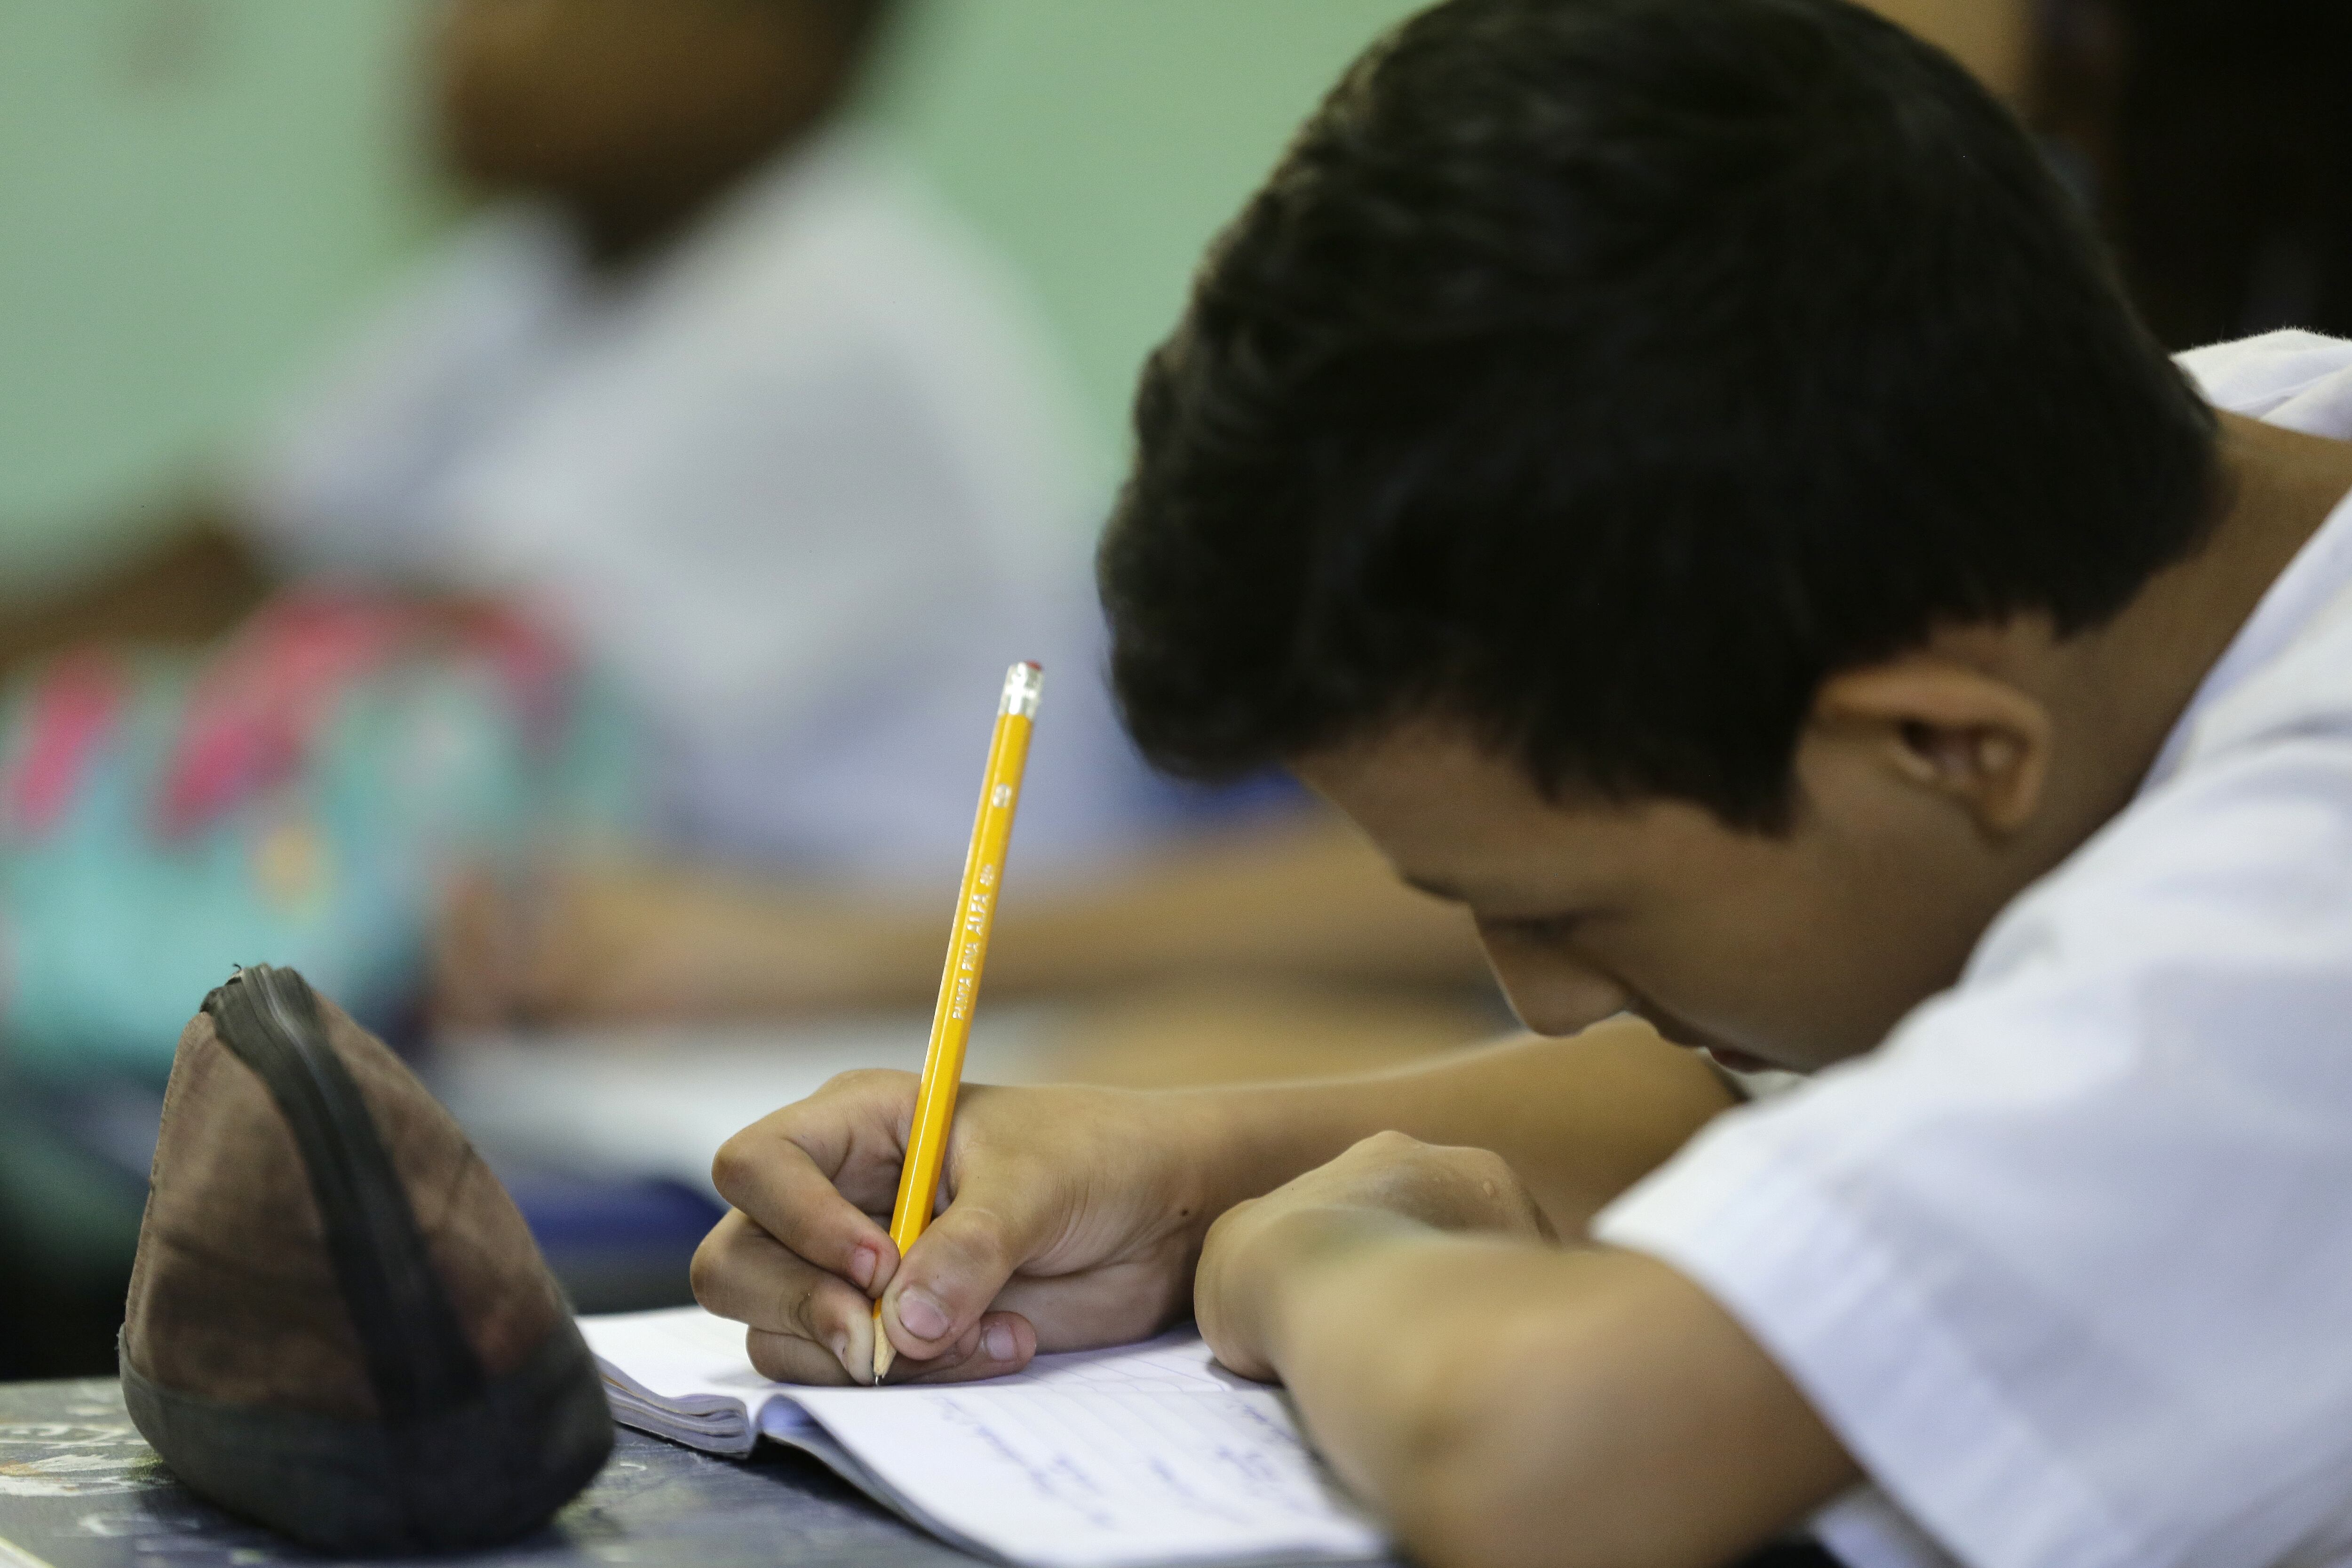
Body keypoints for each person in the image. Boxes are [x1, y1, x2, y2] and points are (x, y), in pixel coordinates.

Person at [690, 2, 2352, 1566]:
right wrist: (1183, 1174)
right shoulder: (2134, 500)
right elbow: (1793, 1094)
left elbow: (1548, 1454)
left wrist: (1305, 1256)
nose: (1548, 1007)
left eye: (1568, 912)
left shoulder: (2309, 872)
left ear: (1942, 743)